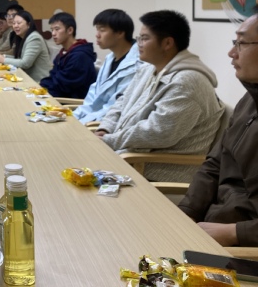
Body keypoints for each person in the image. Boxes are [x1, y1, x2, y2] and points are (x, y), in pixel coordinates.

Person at [95, 10, 224, 183]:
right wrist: (105, 129)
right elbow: (122, 101)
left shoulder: (187, 83)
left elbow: (158, 132)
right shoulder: (148, 69)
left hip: (157, 171)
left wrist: (109, 141)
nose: (138, 44)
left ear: (167, 43)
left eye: (145, 39)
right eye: (139, 38)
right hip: (130, 157)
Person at [178, 8, 258, 247]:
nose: (232, 53)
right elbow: (214, 164)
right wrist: (187, 211)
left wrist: (235, 233)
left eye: (241, 43)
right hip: (215, 223)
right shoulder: (249, 100)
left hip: (242, 248)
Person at [74, 9, 140, 124]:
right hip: (91, 121)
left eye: (102, 30)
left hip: (105, 125)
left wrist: (82, 123)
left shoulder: (136, 65)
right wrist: (73, 118)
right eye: (97, 29)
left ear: (120, 33)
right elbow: (92, 97)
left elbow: (113, 107)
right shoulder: (110, 58)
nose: (97, 35)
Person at [40, 12, 97, 98]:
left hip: (72, 103)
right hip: (60, 97)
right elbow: (54, 77)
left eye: (57, 29)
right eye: (52, 30)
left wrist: (42, 88)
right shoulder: (63, 53)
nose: (53, 33)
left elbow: (63, 86)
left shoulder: (80, 56)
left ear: (70, 30)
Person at [0, 10, 52, 82]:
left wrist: (3, 60)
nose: (15, 26)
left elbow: (25, 63)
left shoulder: (34, 38)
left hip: (39, 82)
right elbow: (20, 58)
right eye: (14, 23)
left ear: (29, 24)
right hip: (28, 79)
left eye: (19, 23)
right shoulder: (22, 37)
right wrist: (4, 56)